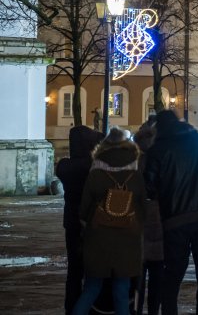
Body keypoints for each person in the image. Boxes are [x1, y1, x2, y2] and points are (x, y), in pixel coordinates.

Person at [144, 110, 198, 315]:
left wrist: (164, 193)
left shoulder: (158, 149)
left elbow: (149, 186)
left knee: (172, 277)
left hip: (174, 219)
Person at [73, 128, 146, 315]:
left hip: (98, 238)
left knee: (91, 288)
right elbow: (143, 207)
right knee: (121, 290)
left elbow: (83, 210)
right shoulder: (136, 172)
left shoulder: (95, 171)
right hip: (128, 238)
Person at [56, 125, 103, 315]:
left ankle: (71, 307)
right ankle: (89, 307)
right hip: (91, 223)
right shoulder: (93, 166)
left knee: (74, 270)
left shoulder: (65, 166)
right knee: (92, 270)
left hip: (71, 222)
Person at [133, 124, 164, 315]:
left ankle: (136, 309)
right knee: (157, 275)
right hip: (159, 219)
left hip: (138, 220)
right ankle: (153, 310)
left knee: (137, 275)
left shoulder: (133, 161)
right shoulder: (163, 159)